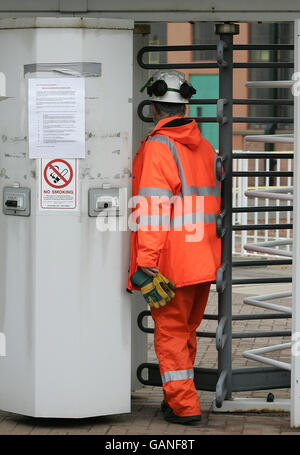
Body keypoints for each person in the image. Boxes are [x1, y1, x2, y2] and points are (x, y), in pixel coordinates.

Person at [128, 70, 221, 425]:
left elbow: (152, 208)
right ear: (185, 104)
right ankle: (179, 395)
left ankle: (184, 407)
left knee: (169, 334)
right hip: (202, 259)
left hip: (171, 262)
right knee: (186, 332)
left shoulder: (158, 146)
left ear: (153, 108)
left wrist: (146, 261)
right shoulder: (204, 145)